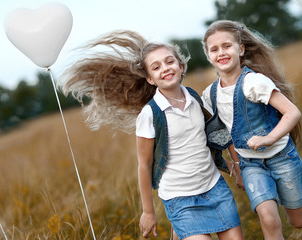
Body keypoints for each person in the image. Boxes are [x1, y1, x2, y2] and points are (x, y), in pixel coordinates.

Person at [61, 30, 244, 240]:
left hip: (215, 189)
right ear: (150, 78)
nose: (165, 68)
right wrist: (148, 212)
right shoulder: (150, 115)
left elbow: (216, 134)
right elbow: (144, 165)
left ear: (180, 67)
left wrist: (235, 166)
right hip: (180, 200)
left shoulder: (194, 97)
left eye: (169, 62)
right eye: (156, 67)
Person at [201, 20, 302, 240]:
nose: (221, 52)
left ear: (240, 49)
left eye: (227, 46)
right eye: (214, 49)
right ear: (208, 55)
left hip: (282, 158)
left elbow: (292, 113)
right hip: (251, 164)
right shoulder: (210, 95)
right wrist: (237, 167)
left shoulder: (255, 82)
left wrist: (269, 138)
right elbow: (227, 134)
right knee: (268, 218)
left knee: (296, 221)